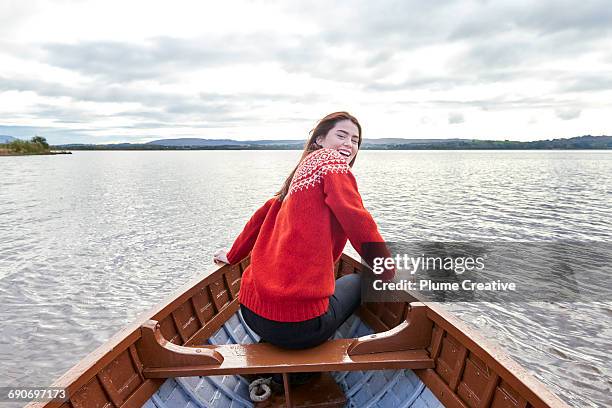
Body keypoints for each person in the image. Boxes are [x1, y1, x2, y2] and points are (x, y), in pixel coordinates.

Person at [213, 111, 393, 351]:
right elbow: (357, 218)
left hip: (251, 312)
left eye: (355, 140)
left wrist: (233, 255)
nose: (348, 145)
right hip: (301, 326)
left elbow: (259, 218)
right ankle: (305, 368)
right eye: (341, 135)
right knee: (362, 281)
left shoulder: (298, 176)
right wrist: (386, 267)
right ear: (319, 140)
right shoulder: (331, 162)